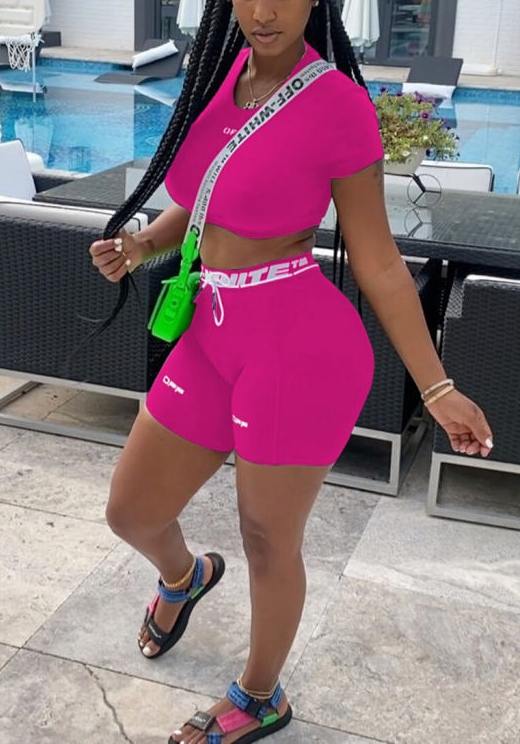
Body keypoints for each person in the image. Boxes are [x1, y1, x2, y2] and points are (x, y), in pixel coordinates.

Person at [89, 1, 494, 742]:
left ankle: (260, 695)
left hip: (297, 349)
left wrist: (437, 388)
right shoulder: (220, 73)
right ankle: (184, 575)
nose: (265, 10)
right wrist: (145, 244)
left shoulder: (338, 105)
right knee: (131, 511)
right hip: (212, 329)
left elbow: (378, 260)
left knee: (267, 537)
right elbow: (208, 199)